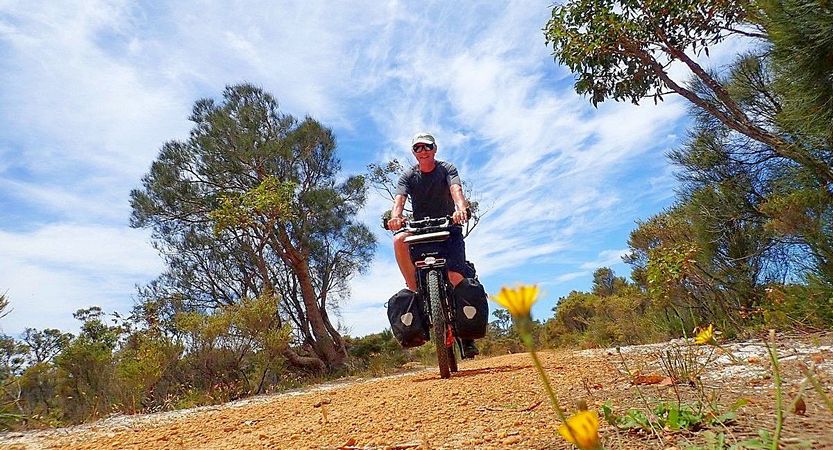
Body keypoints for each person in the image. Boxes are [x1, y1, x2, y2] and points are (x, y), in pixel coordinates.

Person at [387, 132, 479, 359]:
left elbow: (456, 190)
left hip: (448, 227)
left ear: (434, 149)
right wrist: (396, 217)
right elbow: (399, 200)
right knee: (399, 239)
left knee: (456, 278)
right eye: (418, 148)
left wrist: (460, 209)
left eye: (427, 146)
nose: (423, 151)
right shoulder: (408, 176)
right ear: (414, 153)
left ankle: (466, 339)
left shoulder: (446, 169)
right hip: (421, 230)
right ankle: (415, 287)